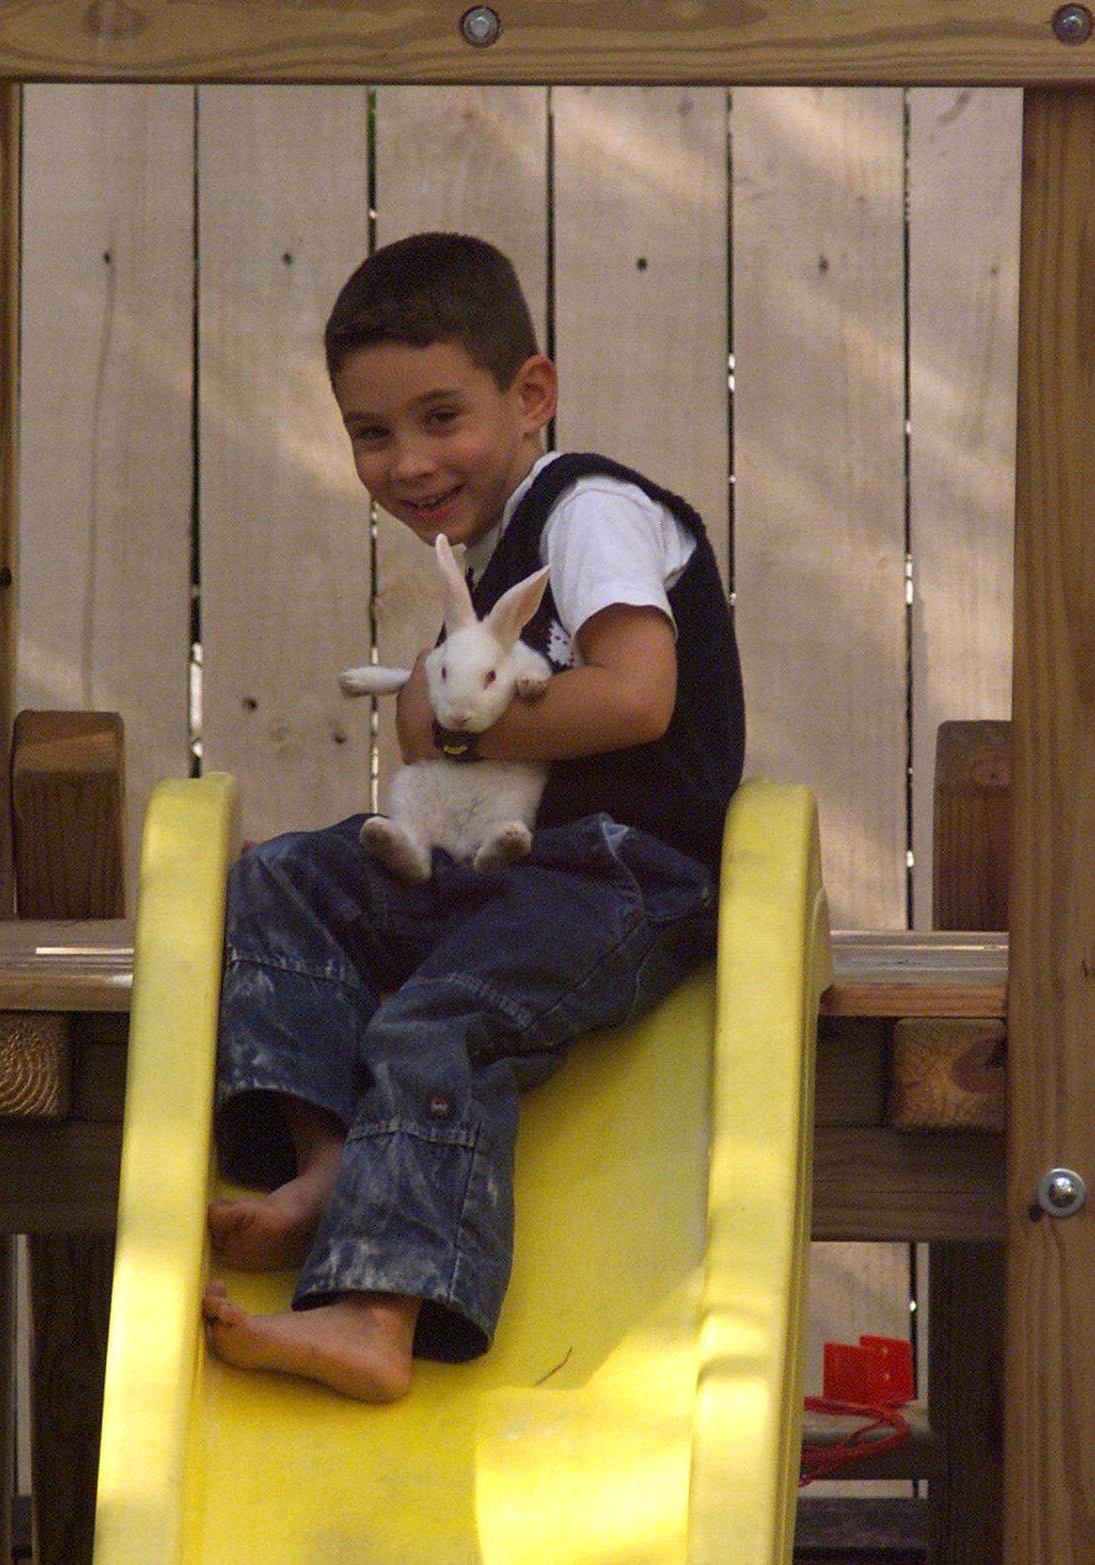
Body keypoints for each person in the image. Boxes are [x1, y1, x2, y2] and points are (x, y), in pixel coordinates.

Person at [201, 232, 745, 1402]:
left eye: (442, 417)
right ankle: (328, 1164)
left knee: (437, 1013)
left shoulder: (591, 510)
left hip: (626, 877)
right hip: (511, 869)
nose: (408, 461)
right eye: (372, 432)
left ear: (531, 393)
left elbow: (639, 695)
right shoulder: (490, 556)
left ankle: (379, 1311)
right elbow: (423, 719)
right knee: (284, 878)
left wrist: (455, 729)